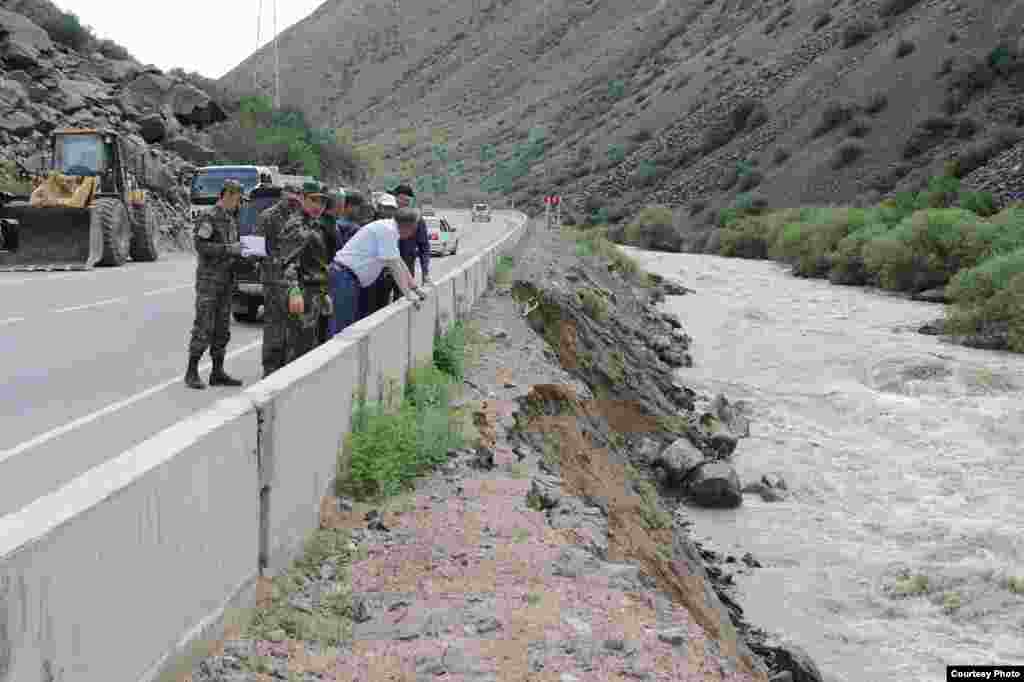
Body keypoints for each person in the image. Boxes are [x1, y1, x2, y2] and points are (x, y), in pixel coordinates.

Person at [328, 206, 428, 338]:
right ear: (410, 227)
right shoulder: (388, 231)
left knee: (346, 326)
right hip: (344, 276)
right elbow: (394, 267)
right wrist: (409, 296)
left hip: (346, 277)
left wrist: (415, 288)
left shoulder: (389, 229)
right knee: (341, 328)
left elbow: (399, 262)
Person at [185, 178, 245, 389]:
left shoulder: (230, 219)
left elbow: (231, 247)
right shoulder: (209, 216)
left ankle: (217, 372)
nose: (239, 204)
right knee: (204, 326)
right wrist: (229, 249)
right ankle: (191, 372)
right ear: (227, 195)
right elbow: (201, 246)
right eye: (237, 199)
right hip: (209, 281)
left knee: (222, 329)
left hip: (226, 281)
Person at [275, 182, 329, 367]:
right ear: (303, 199)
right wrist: (294, 290)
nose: (318, 206)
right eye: (313, 200)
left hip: (314, 292)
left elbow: (316, 263)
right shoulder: (297, 225)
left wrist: (323, 293)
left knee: (308, 345)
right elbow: (287, 261)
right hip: (302, 291)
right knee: (298, 348)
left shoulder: (314, 224)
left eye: (322, 202)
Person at [256, 184, 303, 377]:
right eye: (290, 197)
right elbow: (256, 247)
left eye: (296, 197)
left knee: (292, 325)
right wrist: (271, 262)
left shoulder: (299, 216)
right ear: (283, 195)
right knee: (274, 325)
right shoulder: (268, 216)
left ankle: (285, 365)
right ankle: (270, 368)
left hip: (294, 280)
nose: (292, 201)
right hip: (273, 279)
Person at [365, 193, 400, 315]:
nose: (389, 212)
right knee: (368, 310)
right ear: (379, 208)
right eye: (386, 208)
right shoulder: (368, 224)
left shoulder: (394, 227)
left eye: (392, 209)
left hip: (386, 277)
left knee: (382, 309)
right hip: (369, 277)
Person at [391, 184, 431, 288]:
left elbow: (424, 247)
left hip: (406, 268)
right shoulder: (387, 216)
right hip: (384, 270)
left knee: (403, 300)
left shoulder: (416, 219)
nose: (404, 203)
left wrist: (425, 272)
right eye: (401, 199)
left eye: (407, 200)